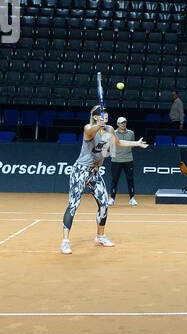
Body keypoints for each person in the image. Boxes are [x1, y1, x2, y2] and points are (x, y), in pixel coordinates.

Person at [61, 105, 148, 254]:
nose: (105, 116)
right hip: (80, 171)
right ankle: (65, 241)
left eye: (106, 114)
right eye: (102, 114)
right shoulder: (88, 128)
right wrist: (98, 125)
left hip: (94, 172)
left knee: (103, 204)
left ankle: (100, 236)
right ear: (95, 117)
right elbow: (90, 131)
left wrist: (136, 144)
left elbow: (118, 144)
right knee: (73, 204)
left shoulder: (110, 130)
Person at [108, 116, 142, 206]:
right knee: (114, 180)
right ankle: (112, 198)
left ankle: (132, 198)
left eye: (125, 122)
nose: (123, 124)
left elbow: (131, 144)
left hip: (128, 159)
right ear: (117, 124)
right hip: (116, 160)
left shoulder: (131, 133)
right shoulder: (113, 133)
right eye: (121, 123)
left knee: (130, 179)